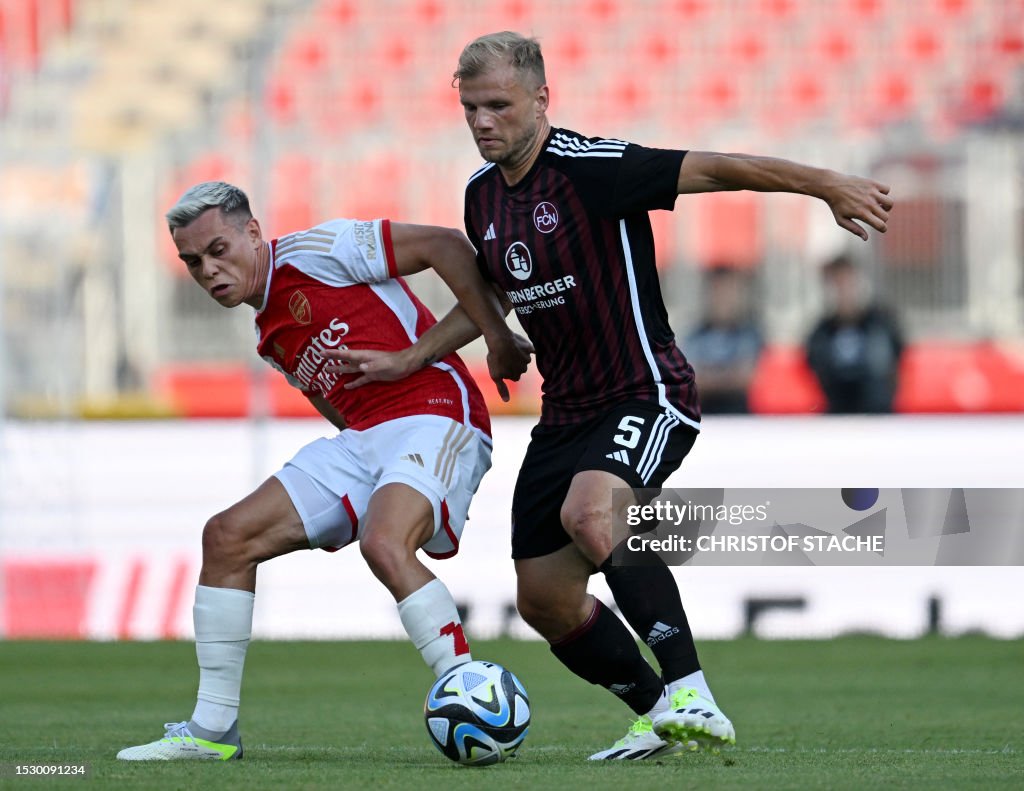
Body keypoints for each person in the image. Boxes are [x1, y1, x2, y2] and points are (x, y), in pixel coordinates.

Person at [323, 31, 892, 760]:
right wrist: (436, 350)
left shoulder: (592, 169)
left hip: (644, 390)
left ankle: (692, 690)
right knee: (544, 598)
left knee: (594, 510)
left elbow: (717, 168)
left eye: (498, 104)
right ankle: (658, 713)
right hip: (565, 414)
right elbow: (493, 285)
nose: (482, 121)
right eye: (470, 107)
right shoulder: (482, 197)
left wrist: (826, 185)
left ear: (541, 99)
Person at [116, 181, 531, 761]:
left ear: (253, 233)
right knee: (227, 537)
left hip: (432, 412)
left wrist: (490, 336)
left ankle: (470, 689)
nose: (208, 270)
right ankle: (212, 731)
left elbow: (446, 245)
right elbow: (336, 408)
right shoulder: (268, 334)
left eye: (218, 250)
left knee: (384, 542)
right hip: (363, 439)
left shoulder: (320, 249)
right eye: (192, 262)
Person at [806, 253, 904, 413]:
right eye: (838, 284)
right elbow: (816, 369)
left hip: (877, 413)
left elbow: (894, 361)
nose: (844, 291)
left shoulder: (881, 325)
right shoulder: (821, 332)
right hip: (838, 413)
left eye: (848, 283)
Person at [684, 266, 764, 414]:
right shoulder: (695, 335)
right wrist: (728, 376)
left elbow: (747, 378)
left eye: (729, 292)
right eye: (718, 292)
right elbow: (690, 381)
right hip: (703, 417)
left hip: (741, 418)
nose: (724, 299)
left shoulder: (751, 334)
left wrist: (709, 376)